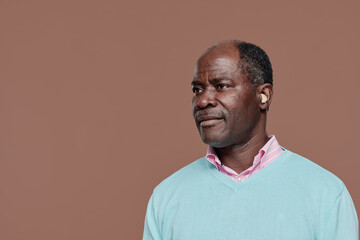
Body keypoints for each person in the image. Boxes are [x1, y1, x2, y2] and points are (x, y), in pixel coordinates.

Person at [142, 40, 358, 240]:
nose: (203, 100)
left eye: (221, 86)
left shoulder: (325, 193)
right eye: (197, 89)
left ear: (263, 96)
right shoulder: (167, 196)